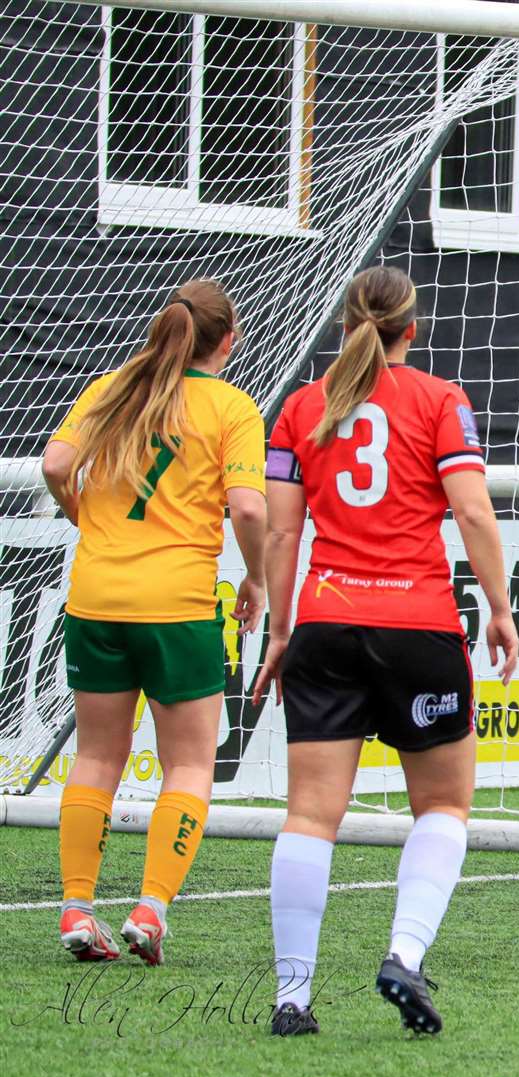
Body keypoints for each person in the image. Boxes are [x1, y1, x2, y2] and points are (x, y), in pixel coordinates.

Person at [253, 266, 517, 1036]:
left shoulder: (302, 406)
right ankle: (403, 954)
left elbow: (279, 531)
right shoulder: (440, 400)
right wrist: (499, 609)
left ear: (344, 323)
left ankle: (291, 999)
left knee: (308, 814)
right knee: (442, 805)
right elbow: (470, 509)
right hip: (418, 624)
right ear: (414, 327)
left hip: (326, 624)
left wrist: (279, 634)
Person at [42, 279, 268, 967]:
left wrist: (85, 517)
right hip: (176, 606)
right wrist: (256, 578)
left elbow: (56, 463)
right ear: (227, 340)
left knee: (96, 758)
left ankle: (78, 910)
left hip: (95, 598)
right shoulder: (231, 406)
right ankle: (150, 909)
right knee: (191, 763)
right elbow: (251, 510)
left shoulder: (113, 386)